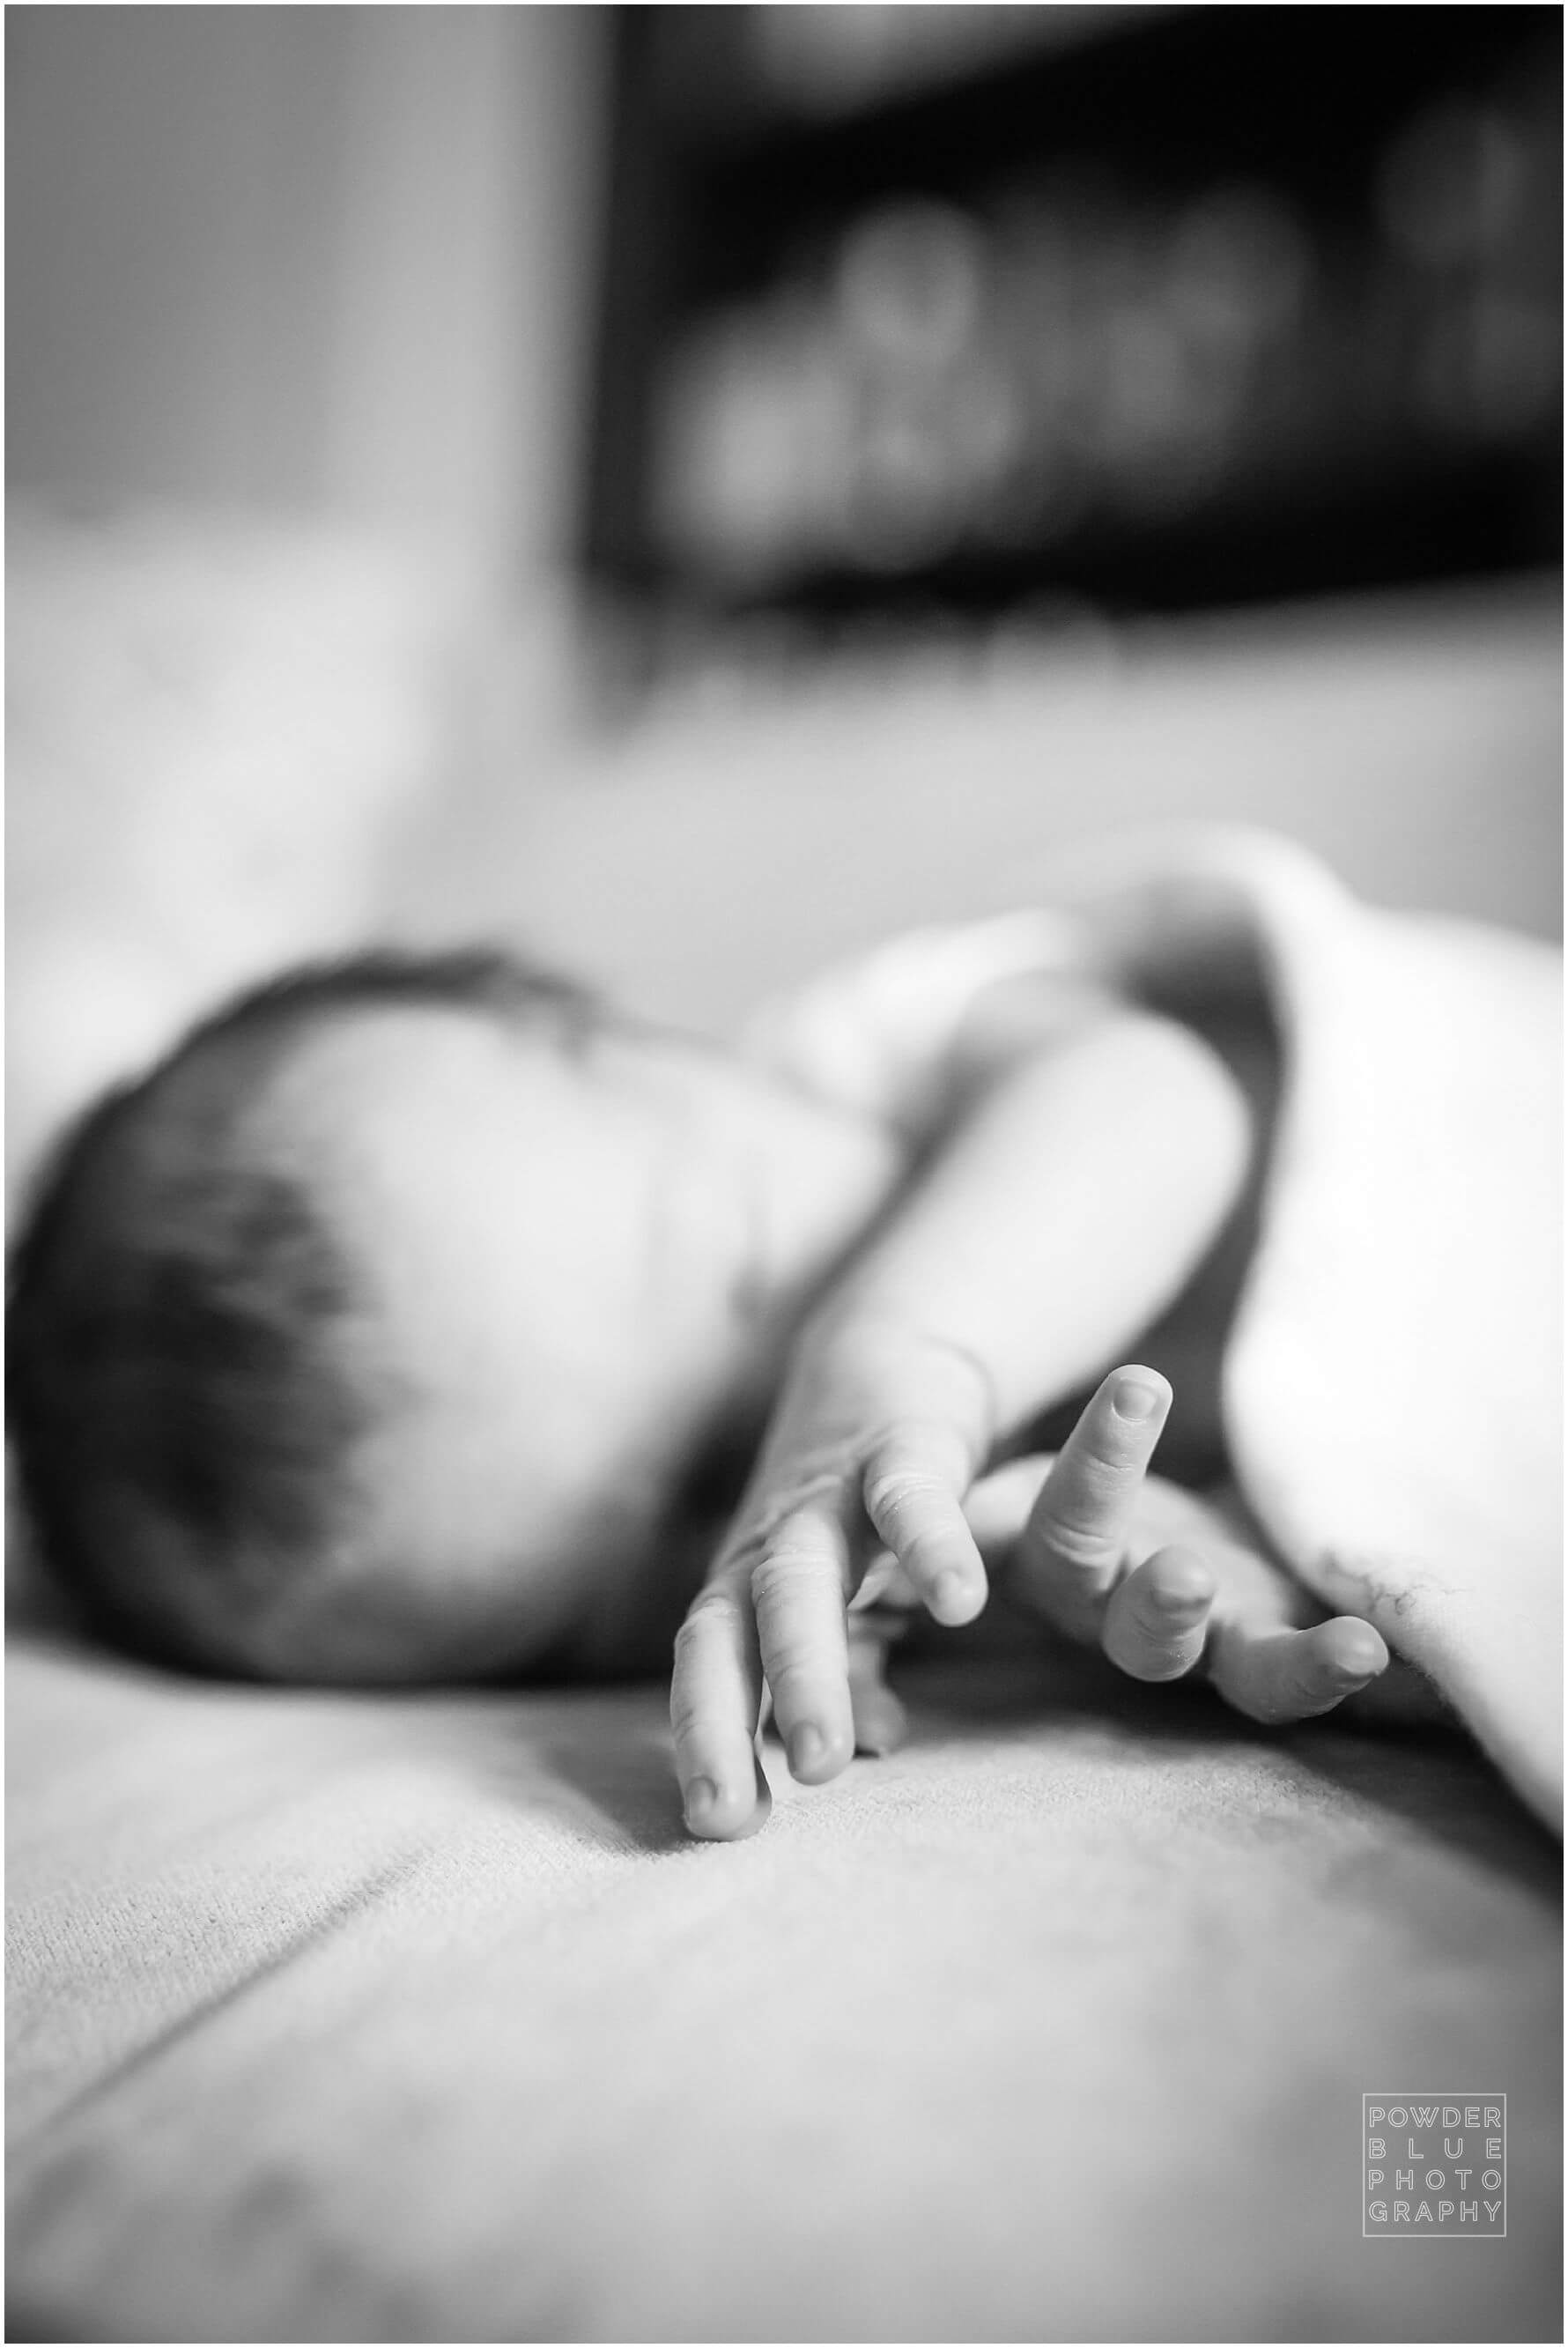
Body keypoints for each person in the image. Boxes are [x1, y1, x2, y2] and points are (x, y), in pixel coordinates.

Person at [6, 919, 1394, 1843]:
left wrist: (905, 1343)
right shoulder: (902, 1584)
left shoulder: (904, 1045)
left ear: (676, 1048)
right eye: (682, 1513)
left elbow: (1158, 1096)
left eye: (738, 1266)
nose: (787, 1441)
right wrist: (1228, 1564)